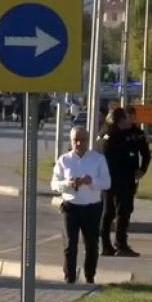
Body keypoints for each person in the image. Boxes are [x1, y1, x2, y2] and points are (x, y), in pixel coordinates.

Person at [51, 126, 110, 284]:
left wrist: (92, 181)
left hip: (91, 207)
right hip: (70, 207)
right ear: (71, 141)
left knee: (91, 245)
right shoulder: (64, 160)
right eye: (75, 140)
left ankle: (90, 277)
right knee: (70, 245)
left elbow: (107, 183)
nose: (78, 143)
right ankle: (69, 278)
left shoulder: (98, 159)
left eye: (82, 139)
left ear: (87, 140)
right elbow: (54, 184)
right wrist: (68, 183)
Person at [99, 108, 143, 257]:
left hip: (123, 179)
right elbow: (112, 158)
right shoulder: (110, 135)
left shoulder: (125, 133)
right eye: (125, 118)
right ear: (119, 120)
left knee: (121, 212)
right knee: (110, 212)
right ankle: (109, 245)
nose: (128, 121)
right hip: (114, 180)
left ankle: (117, 244)